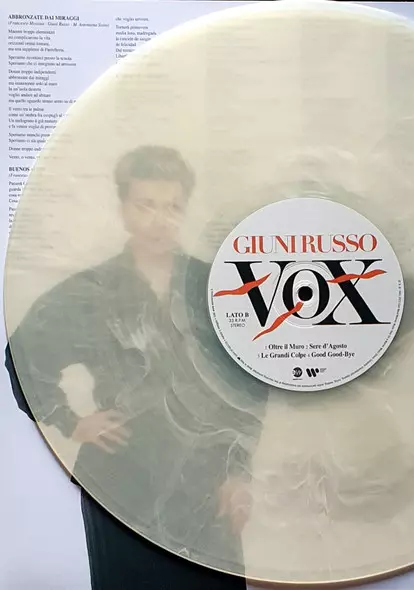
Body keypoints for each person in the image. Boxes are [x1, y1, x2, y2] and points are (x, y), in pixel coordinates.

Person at [5, 145, 267, 589]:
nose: (158, 220)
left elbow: (250, 382)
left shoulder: (215, 286)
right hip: (120, 481)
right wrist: (70, 420)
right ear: (124, 208)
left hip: (206, 483)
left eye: (171, 207)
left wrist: (238, 472)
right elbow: (23, 356)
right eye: (145, 205)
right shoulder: (93, 289)